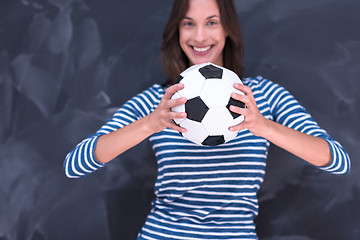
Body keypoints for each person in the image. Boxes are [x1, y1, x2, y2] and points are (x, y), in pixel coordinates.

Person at [64, 0, 351, 239]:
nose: (199, 36)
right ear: (177, 31)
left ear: (228, 30)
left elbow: (338, 161)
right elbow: (75, 165)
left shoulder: (263, 95)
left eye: (211, 22)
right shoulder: (159, 101)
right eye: (189, 23)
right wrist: (150, 124)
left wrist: (263, 127)